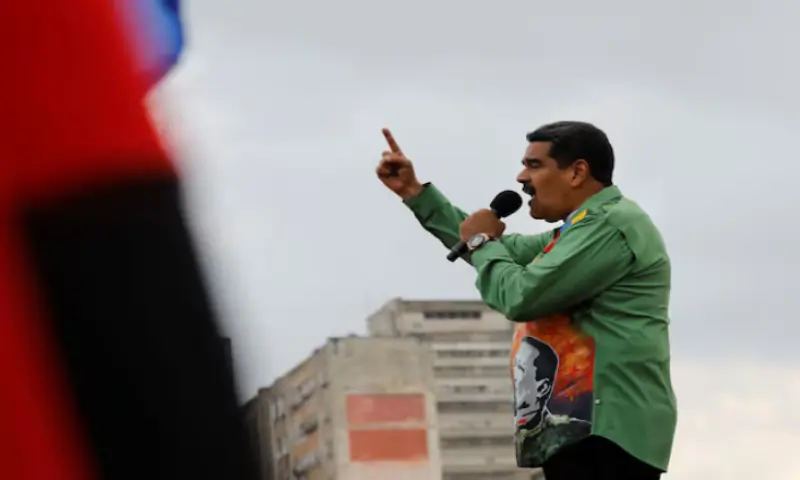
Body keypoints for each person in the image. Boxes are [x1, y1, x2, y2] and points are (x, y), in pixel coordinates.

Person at [376, 122, 677, 480]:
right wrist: (415, 193)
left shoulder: (611, 226)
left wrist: (481, 244)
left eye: (534, 165)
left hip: (607, 432)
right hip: (581, 432)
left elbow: (520, 295)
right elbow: (501, 250)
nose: (521, 177)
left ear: (577, 172)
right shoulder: (577, 230)